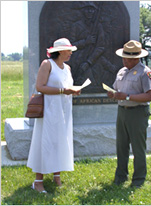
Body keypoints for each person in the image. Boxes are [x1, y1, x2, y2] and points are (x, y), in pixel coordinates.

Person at [27, 38, 80, 193]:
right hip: (49, 110)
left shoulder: (67, 68)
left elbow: (66, 86)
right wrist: (64, 91)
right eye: (68, 50)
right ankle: (38, 181)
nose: (70, 53)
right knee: (46, 141)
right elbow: (40, 87)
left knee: (60, 141)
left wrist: (74, 90)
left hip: (64, 109)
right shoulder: (47, 64)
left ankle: (57, 175)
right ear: (60, 51)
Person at [107, 40, 151, 188]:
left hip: (137, 113)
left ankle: (138, 179)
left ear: (136, 58)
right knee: (121, 146)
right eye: (123, 57)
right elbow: (118, 90)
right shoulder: (121, 71)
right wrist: (113, 94)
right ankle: (120, 177)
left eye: (127, 58)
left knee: (138, 147)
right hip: (122, 112)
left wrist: (127, 96)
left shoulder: (145, 72)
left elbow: (150, 96)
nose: (124, 60)